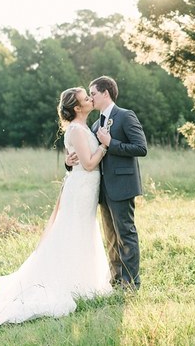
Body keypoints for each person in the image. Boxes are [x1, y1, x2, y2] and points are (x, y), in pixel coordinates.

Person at [0, 87, 112, 328]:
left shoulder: (83, 128)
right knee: (72, 234)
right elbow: (88, 164)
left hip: (85, 190)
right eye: (85, 98)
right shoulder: (77, 129)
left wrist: (72, 160)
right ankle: (66, 283)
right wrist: (105, 146)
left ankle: (82, 281)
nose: (89, 99)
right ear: (77, 108)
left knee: (80, 234)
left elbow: (77, 159)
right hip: (80, 191)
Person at [66, 75, 147, 290]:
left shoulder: (125, 116)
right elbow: (86, 155)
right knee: (110, 237)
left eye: (93, 94)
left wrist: (112, 143)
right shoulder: (93, 125)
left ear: (105, 93)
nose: (90, 98)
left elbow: (141, 148)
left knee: (126, 234)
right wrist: (68, 162)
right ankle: (116, 280)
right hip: (101, 190)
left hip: (122, 186)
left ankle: (131, 283)